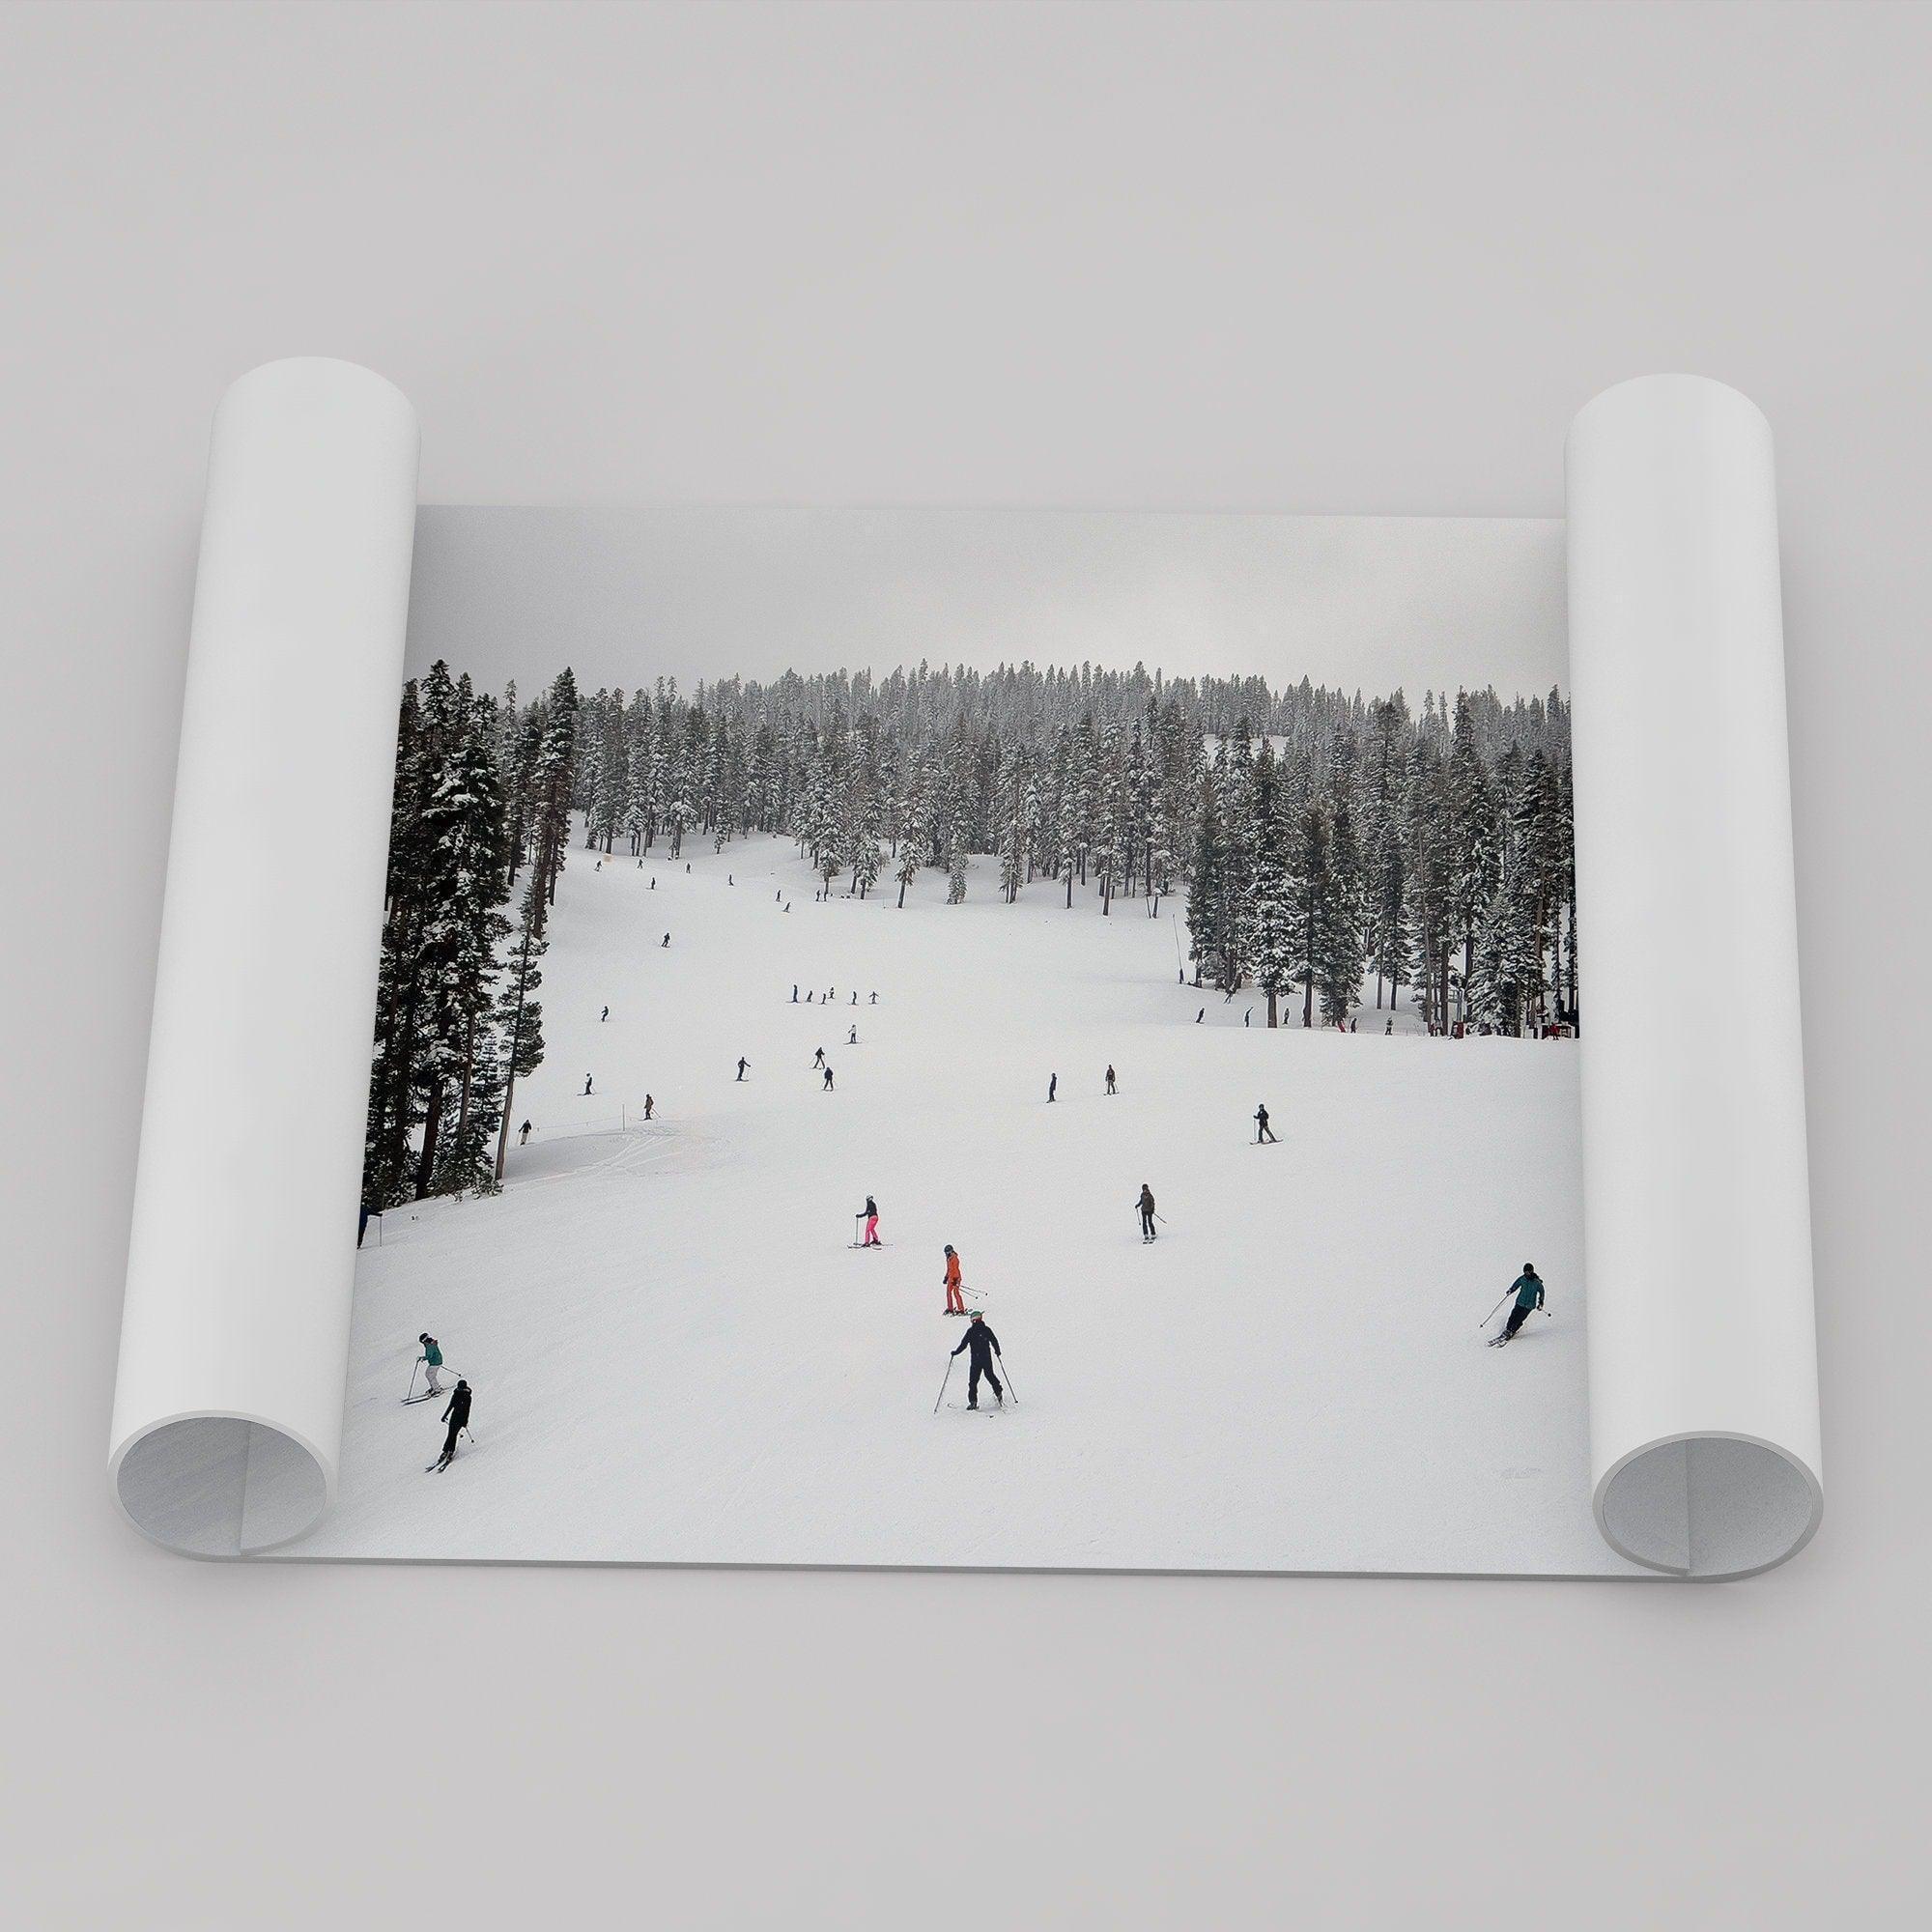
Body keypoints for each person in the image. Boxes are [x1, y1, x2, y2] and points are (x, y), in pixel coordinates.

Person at [950, 1313, 1004, 1408]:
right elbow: (994, 1340)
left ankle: (973, 1402)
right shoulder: (986, 1330)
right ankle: (998, 1392)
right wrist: (997, 1351)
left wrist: (956, 1352)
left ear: (972, 1320)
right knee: (990, 1376)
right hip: (986, 1358)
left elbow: (963, 1344)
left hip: (976, 1360)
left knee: (973, 1381)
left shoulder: (970, 1331)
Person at [1492, 1264, 1547, 1347]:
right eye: (1525, 1272)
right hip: (1520, 1302)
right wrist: (1511, 1290)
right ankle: (1507, 1329)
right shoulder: (1522, 1279)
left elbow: (1542, 1292)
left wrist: (1541, 1302)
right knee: (1513, 1316)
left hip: (1529, 1305)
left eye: (1528, 1272)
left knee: (1519, 1318)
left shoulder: (1537, 1283)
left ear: (1532, 1271)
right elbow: (1516, 1284)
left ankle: (1512, 1331)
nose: (1526, 1274)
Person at [431, 1379, 473, 1471]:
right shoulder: (456, 1394)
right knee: (450, 1433)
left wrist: (465, 1421)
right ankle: (446, 1450)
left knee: (453, 1434)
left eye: (461, 1388)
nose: (460, 1389)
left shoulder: (468, 1397)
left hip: (461, 1418)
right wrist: (445, 1416)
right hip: (454, 1416)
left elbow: (467, 1410)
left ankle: (450, 1450)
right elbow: (451, 1406)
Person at [942, 1244, 966, 1316]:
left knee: (956, 1293)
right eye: (945, 1252)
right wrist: (946, 1277)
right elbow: (949, 1269)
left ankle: (961, 1309)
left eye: (947, 1252)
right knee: (948, 1293)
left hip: (956, 1278)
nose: (946, 1254)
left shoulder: (954, 1258)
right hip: (950, 1279)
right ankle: (950, 1308)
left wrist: (955, 1280)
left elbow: (955, 1270)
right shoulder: (948, 1259)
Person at [418, 1332, 444, 1396]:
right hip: (437, 1361)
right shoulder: (431, 1343)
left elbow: (429, 1356)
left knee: (430, 1375)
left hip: (435, 1362)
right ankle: (434, 1387)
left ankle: (437, 1390)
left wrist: (422, 1358)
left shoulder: (429, 1346)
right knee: (430, 1375)